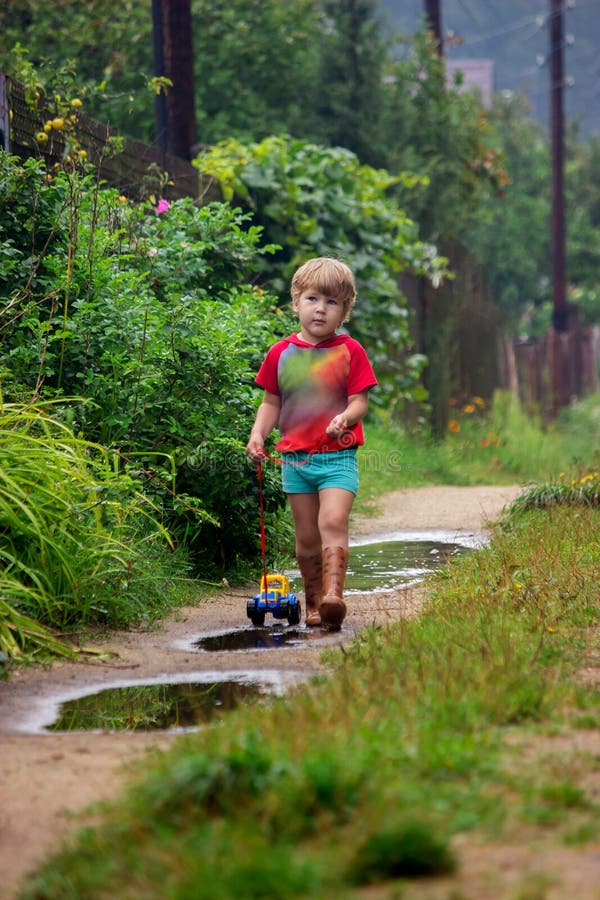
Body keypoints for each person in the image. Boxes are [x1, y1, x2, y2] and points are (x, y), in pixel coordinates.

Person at [246, 257, 377, 630]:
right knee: (305, 540)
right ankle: (315, 603)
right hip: (296, 462)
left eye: (332, 302)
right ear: (296, 302)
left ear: (344, 311)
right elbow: (271, 401)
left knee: (333, 521)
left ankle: (335, 597)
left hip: (338, 457)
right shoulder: (280, 354)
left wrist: (346, 418)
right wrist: (258, 435)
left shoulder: (350, 351)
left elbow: (360, 401)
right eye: (313, 298)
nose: (321, 309)